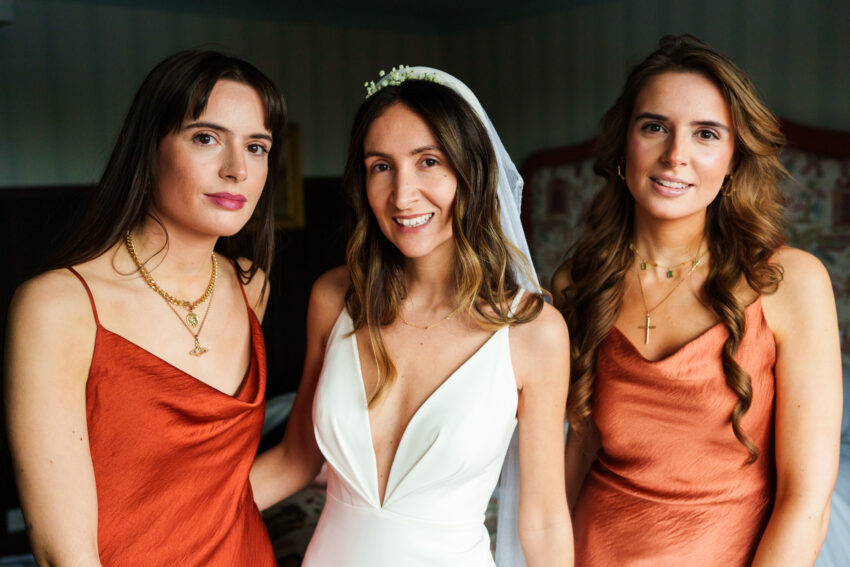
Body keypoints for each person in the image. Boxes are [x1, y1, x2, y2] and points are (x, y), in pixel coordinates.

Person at [251, 67, 572, 566]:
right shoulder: (333, 298)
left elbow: (545, 519)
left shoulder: (533, 332)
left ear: (471, 173)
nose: (402, 195)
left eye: (429, 162)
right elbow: (296, 461)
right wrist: (166, 516)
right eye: (381, 166)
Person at [553, 34, 842, 566]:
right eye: (654, 127)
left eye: (705, 133)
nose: (675, 155)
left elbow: (807, 499)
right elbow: (576, 451)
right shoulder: (577, 282)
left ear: (734, 159)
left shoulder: (791, 282)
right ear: (624, 146)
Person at [4, 50, 286, 566]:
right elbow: (63, 555)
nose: (237, 169)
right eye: (206, 138)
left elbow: (214, 487)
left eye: (257, 146)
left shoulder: (249, 286)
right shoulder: (58, 307)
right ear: (149, 147)